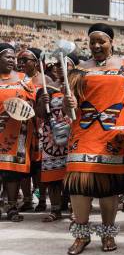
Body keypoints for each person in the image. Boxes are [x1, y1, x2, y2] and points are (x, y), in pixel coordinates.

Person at [63, 24, 124, 255]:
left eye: (101, 41)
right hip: (83, 132)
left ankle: (107, 234)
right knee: (79, 183)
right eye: (92, 41)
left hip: (113, 132)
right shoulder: (80, 69)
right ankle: (81, 236)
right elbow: (68, 105)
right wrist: (69, 103)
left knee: (107, 186)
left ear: (111, 42)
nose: (96, 46)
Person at [36, 53, 80, 222]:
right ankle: (55, 209)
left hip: (73, 133)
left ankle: (75, 208)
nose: (59, 68)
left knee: (72, 175)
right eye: (57, 64)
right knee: (53, 176)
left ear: (73, 67)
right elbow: (40, 114)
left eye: (64, 64)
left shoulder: (79, 84)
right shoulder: (48, 88)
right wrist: (42, 102)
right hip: (51, 138)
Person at [0, 43, 35, 222]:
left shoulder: (24, 79)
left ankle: (12, 207)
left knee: (12, 171)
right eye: (8, 56)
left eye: (13, 57)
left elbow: (33, 104)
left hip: (17, 133)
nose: (12, 60)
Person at [17, 48, 52, 213]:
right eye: (20, 60)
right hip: (21, 127)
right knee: (23, 165)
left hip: (40, 127)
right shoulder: (18, 79)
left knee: (39, 166)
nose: (21, 63)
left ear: (36, 63)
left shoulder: (45, 79)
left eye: (26, 60)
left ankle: (43, 200)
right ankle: (27, 199)